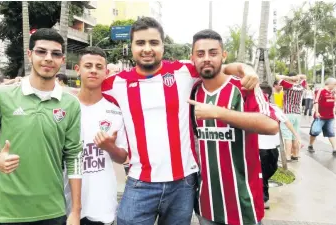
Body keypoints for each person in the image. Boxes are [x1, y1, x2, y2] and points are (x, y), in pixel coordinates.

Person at [102, 17, 260, 225]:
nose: (147, 49)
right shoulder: (115, 83)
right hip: (140, 183)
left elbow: (217, 65)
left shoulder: (184, 71)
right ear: (130, 47)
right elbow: (86, 92)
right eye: (140, 43)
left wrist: (245, 69)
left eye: (153, 43)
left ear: (163, 46)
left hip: (183, 183)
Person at [0, 28, 82, 225]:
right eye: (41, 52)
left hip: (53, 210)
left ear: (62, 60)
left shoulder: (70, 103)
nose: (48, 58)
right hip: (7, 211)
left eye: (55, 54)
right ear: (30, 55)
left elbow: (74, 157)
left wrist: (76, 211)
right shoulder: (2, 95)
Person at [188, 29, 278, 225]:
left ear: (223, 55)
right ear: (192, 58)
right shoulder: (193, 90)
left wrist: (219, 113)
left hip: (243, 202)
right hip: (207, 203)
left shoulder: (244, 86)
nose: (206, 59)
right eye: (200, 54)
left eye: (213, 53)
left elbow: (271, 125)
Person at [64, 47, 128, 225]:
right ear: (78, 69)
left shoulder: (114, 111)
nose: (93, 70)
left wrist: (110, 147)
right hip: (64, 203)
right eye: (88, 65)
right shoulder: (64, 107)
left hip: (101, 205)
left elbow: (123, 157)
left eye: (99, 67)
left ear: (106, 72)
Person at [259, 83, 300, 210]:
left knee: (271, 169)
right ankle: (263, 198)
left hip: (272, 146)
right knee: (262, 173)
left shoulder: (274, 108)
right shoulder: (252, 108)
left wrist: (296, 136)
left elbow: (286, 122)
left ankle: (260, 190)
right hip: (258, 147)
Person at [276, 72, 307, 161]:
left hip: (288, 113)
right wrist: (297, 77)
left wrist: (289, 78)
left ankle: (288, 156)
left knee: (287, 136)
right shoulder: (301, 86)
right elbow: (304, 77)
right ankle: (296, 154)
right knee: (295, 135)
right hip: (297, 113)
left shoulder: (288, 85)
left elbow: (278, 76)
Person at [308, 77, 336, 155]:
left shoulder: (333, 92)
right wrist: (317, 112)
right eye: (334, 84)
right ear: (329, 83)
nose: (335, 86)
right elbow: (316, 101)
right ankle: (310, 145)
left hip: (330, 116)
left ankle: (334, 149)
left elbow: (334, 102)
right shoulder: (320, 91)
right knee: (315, 131)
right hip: (320, 116)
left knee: (331, 133)